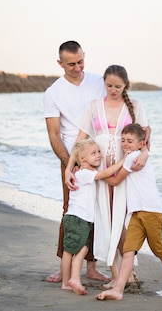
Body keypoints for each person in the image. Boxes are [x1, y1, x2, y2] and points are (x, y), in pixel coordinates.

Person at [64, 64, 151, 285]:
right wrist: (68, 167)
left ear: (125, 86)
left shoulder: (135, 106)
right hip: (100, 172)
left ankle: (127, 272)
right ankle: (117, 274)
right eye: (109, 85)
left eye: (118, 86)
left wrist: (145, 154)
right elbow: (80, 140)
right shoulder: (93, 106)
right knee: (106, 220)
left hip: (125, 171)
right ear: (104, 83)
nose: (113, 90)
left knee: (121, 220)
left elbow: (145, 139)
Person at [43, 40, 109, 283]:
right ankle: (64, 267)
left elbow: (115, 107)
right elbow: (53, 134)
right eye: (71, 64)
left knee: (97, 211)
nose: (77, 67)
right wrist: (70, 164)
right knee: (70, 211)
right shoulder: (53, 93)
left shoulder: (98, 82)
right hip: (71, 159)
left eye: (81, 61)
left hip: (101, 157)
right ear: (60, 63)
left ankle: (91, 268)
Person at [96, 124, 162, 301]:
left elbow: (115, 181)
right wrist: (144, 146)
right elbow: (147, 129)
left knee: (159, 250)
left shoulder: (133, 158)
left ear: (140, 143)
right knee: (128, 250)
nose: (125, 144)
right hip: (136, 213)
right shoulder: (139, 154)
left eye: (130, 141)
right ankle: (118, 289)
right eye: (123, 140)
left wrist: (93, 175)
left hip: (151, 212)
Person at [61, 139, 127, 295]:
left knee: (73, 250)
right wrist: (123, 161)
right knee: (77, 249)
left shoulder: (81, 172)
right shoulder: (85, 173)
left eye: (98, 152)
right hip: (79, 217)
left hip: (77, 217)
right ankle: (71, 280)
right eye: (93, 153)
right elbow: (106, 173)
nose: (98, 155)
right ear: (82, 159)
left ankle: (69, 280)